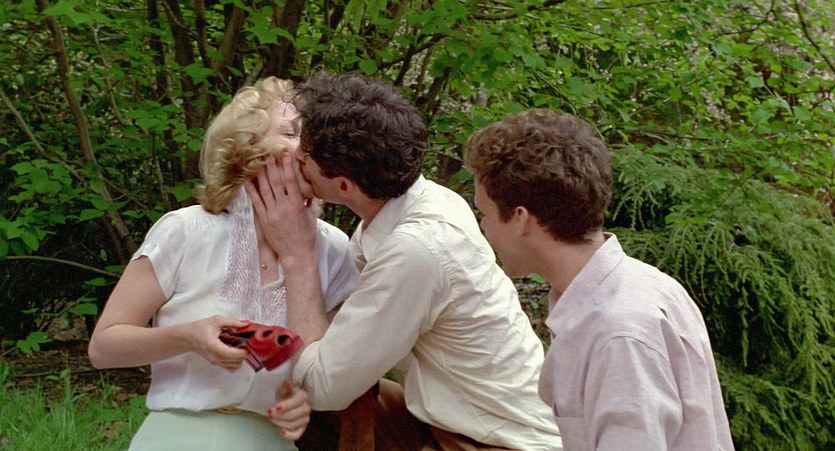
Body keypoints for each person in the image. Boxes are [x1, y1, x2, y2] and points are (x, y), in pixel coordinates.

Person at [247, 72, 561, 450]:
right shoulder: (414, 207)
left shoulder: (417, 249)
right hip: (444, 422)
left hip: (499, 442)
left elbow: (322, 387)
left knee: (306, 402)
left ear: (344, 186)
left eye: (304, 156)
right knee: (285, 397)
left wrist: (297, 256)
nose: (294, 155)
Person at [87, 77, 358, 450]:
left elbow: (324, 372)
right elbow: (103, 347)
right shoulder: (185, 230)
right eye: (291, 133)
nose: (308, 148)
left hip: (269, 441)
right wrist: (188, 336)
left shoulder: (335, 249)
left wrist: (301, 403)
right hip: (178, 436)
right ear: (246, 146)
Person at [463, 108, 735, 450]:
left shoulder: (618, 333)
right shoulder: (633, 288)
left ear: (521, 219)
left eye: (485, 213)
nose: (483, 227)